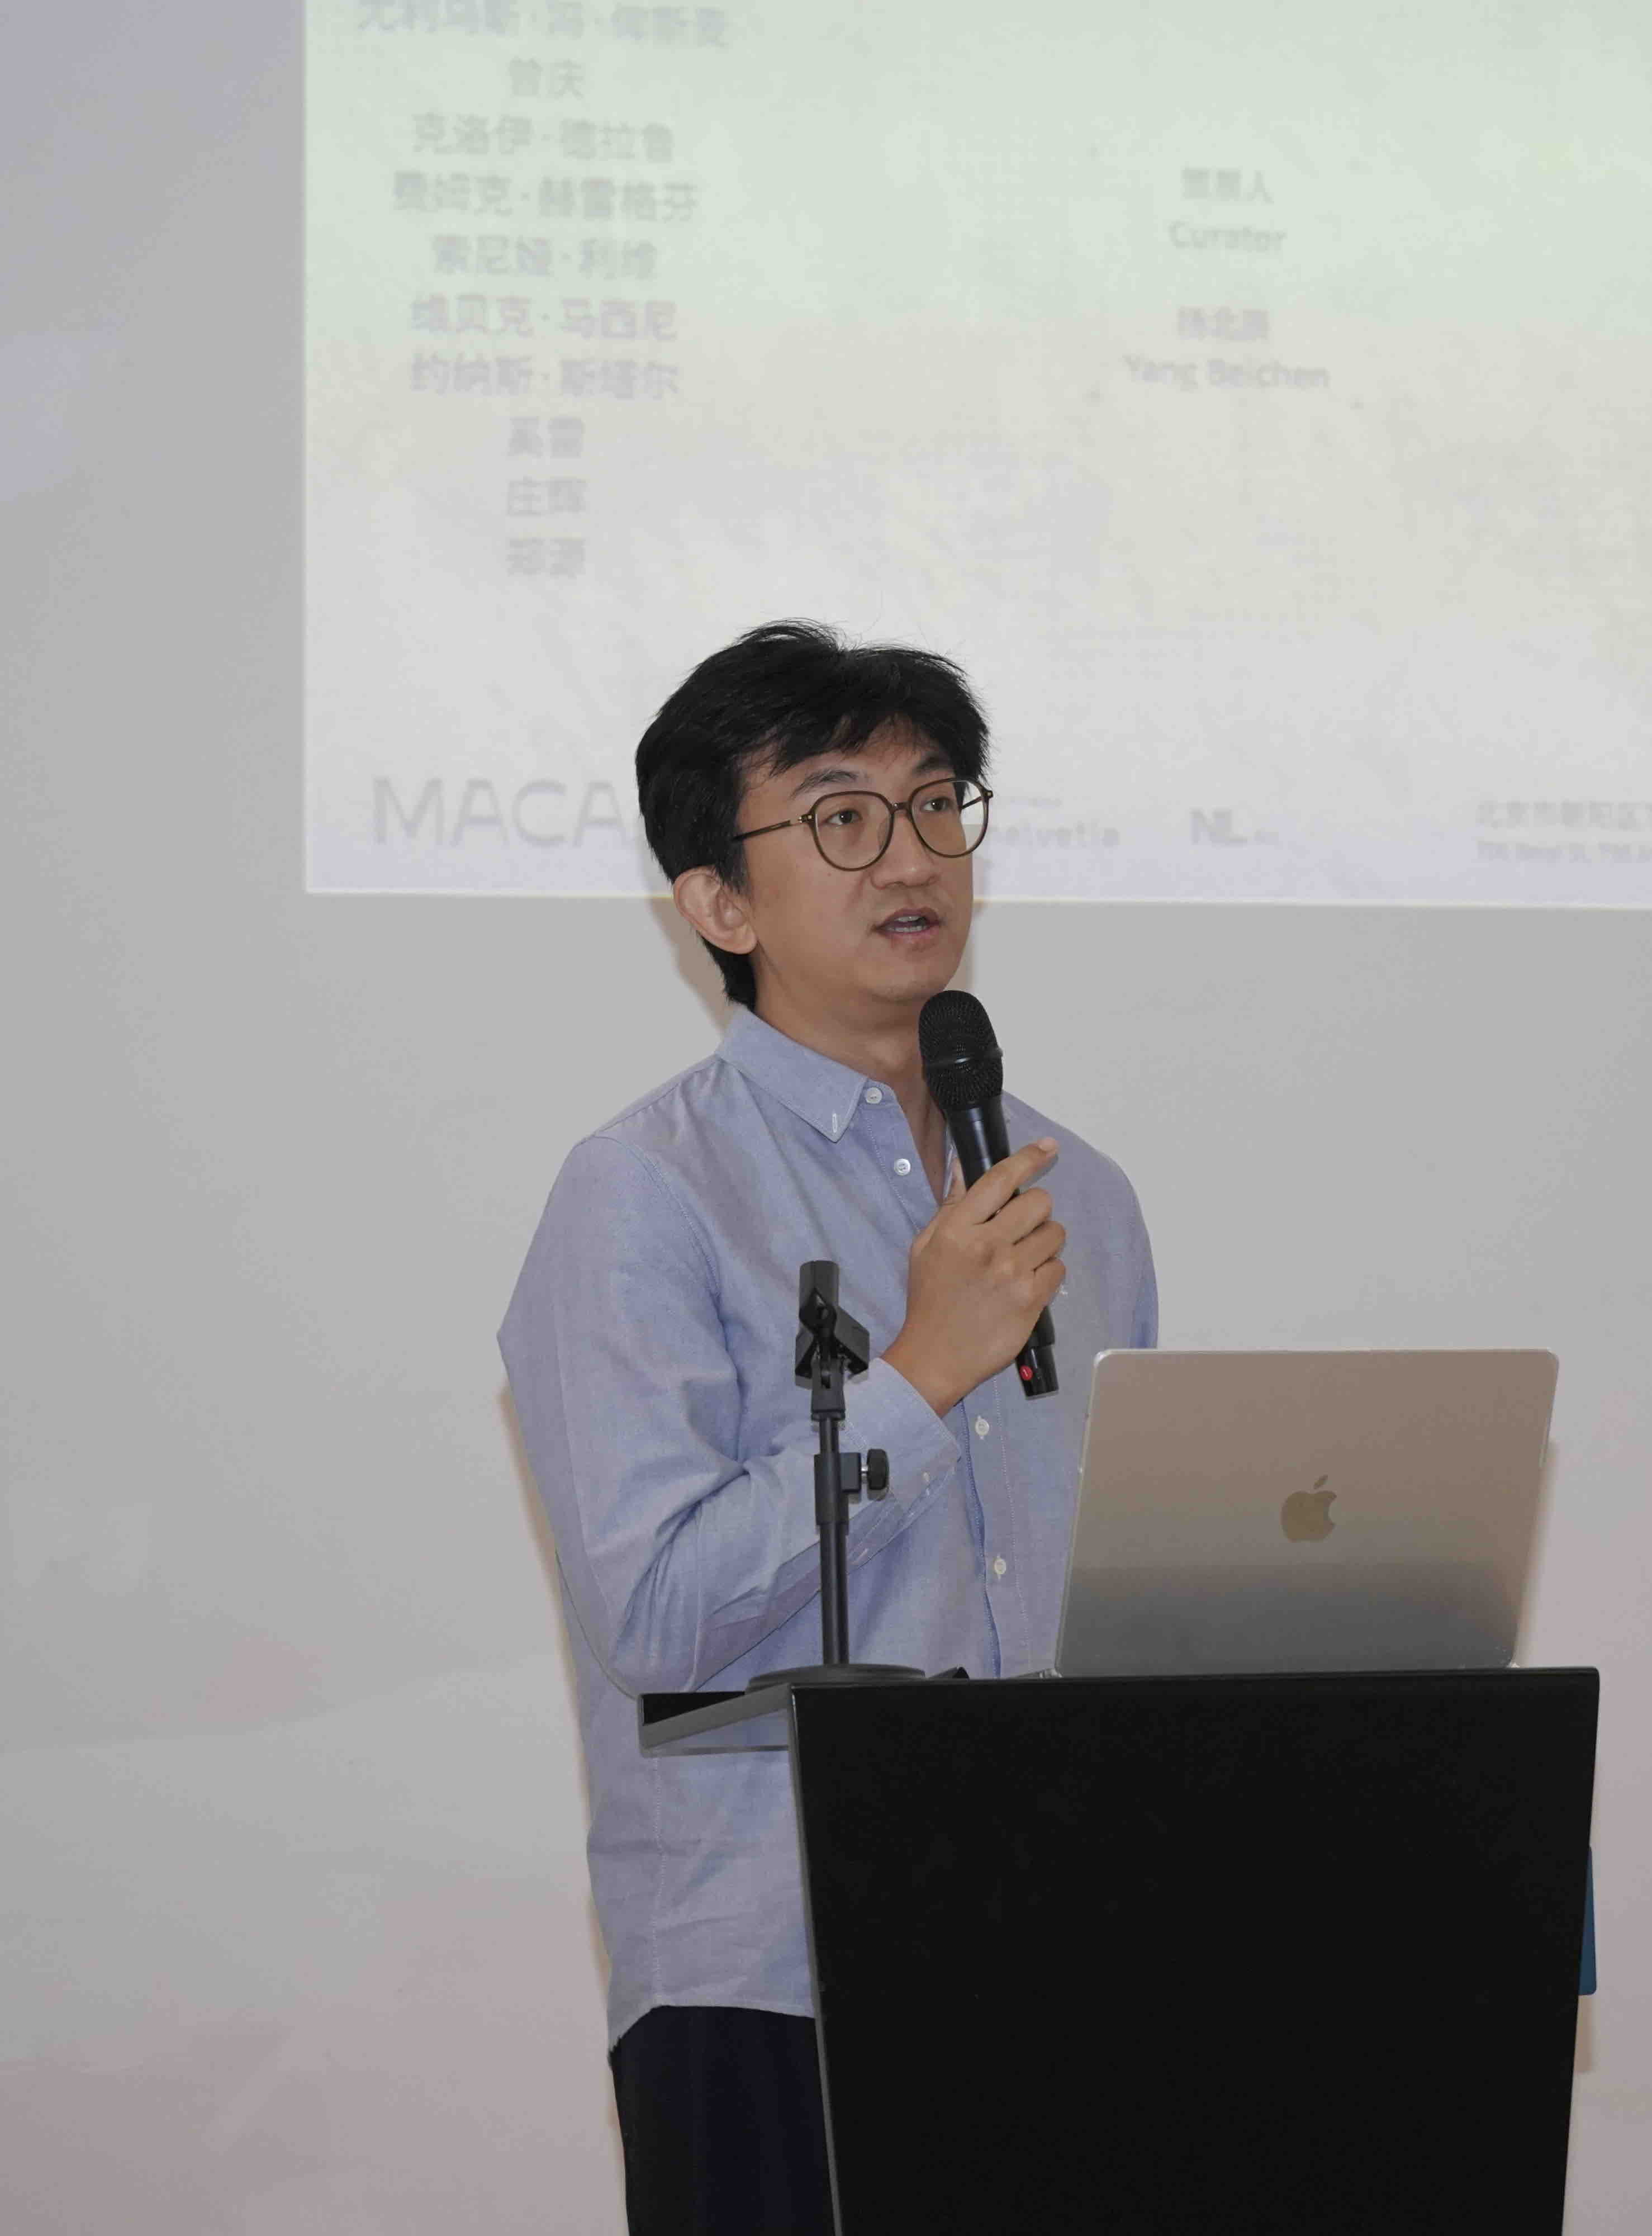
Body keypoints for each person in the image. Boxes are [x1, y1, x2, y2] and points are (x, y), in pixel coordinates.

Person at [499, 621, 1158, 2236]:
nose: (911, 856)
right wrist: (921, 1375)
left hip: (1065, 1958)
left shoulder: (1082, 1195)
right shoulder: (646, 1195)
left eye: (936, 804)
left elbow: (1118, 1600)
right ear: (720, 905)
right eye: (842, 818)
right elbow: (655, 1614)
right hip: (769, 1973)